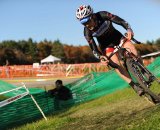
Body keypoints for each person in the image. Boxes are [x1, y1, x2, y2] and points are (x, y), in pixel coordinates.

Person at [76, 5, 144, 96]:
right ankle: (133, 85)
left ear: (92, 16)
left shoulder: (103, 15)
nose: (87, 25)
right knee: (115, 64)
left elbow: (121, 21)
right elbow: (94, 49)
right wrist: (101, 57)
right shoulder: (87, 32)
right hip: (106, 46)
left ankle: (143, 70)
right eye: (84, 23)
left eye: (87, 21)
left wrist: (129, 29)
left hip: (118, 38)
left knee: (133, 50)